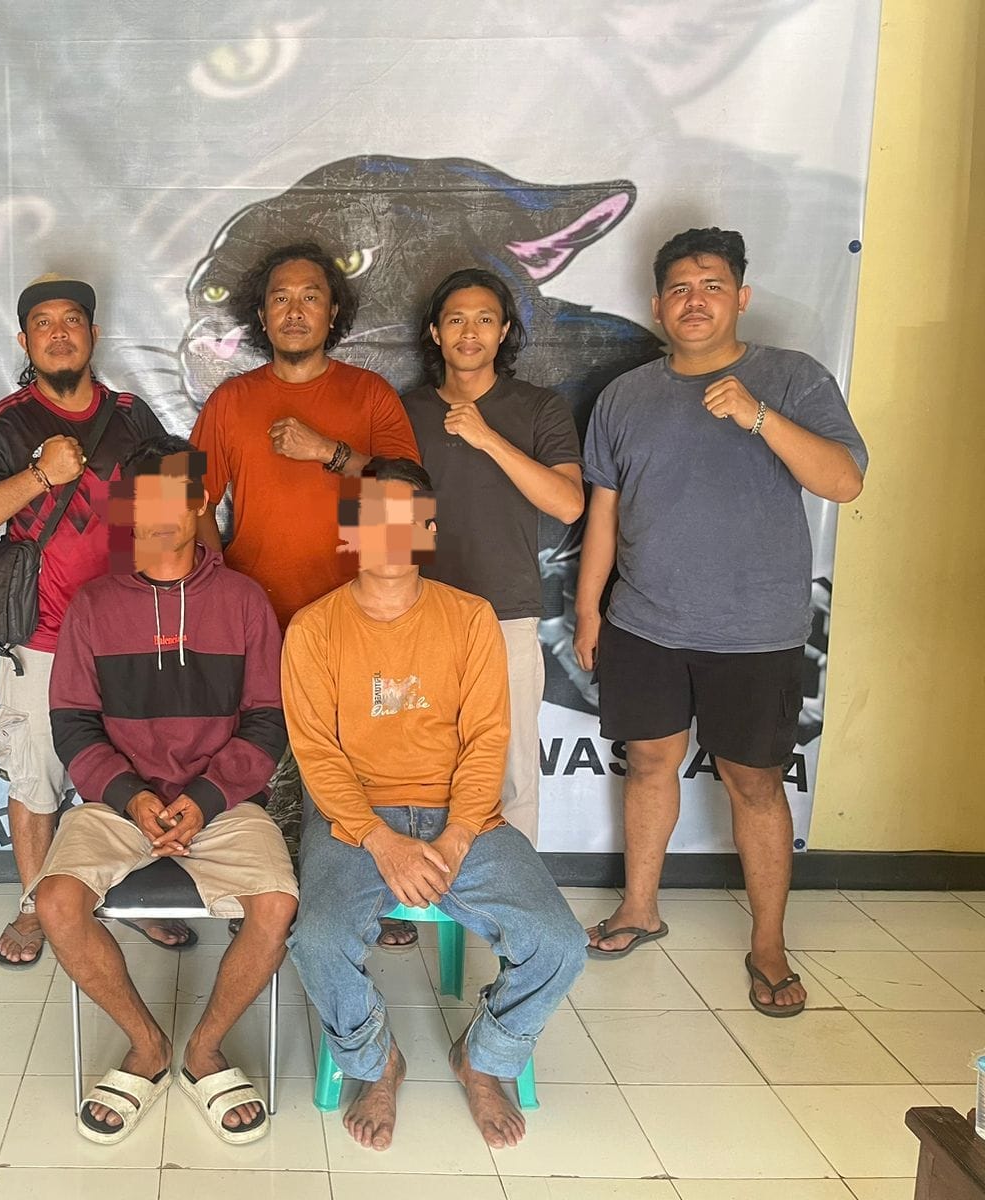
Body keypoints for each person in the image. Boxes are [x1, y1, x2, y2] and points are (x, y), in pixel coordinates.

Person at [573, 227, 867, 1016]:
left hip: (756, 630)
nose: (694, 301)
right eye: (679, 288)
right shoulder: (625, 397)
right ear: (657, 305)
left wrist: (758, 415)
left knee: (755, 783)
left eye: (710, 287)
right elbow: (603, 511)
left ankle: (768, 945)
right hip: (644, 622)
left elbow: (844, 481)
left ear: (741, 297)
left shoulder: (790, 377)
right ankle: (640, 908)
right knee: (649, 763)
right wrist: (589, 610)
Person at [284, 459, 585, 1152]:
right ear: (350, 530)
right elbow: (317, 754)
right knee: (317, 941)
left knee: (561, 943)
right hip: (356, 822)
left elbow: (486, 741)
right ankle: (375, 1062)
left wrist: (455, 837)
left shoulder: (470, 618)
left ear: (427, 528)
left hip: (462, 816)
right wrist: (380, 839)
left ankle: (484, 1057)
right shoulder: (314, 627)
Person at [28, 434, 295, 1145]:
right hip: (120, 803)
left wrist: (204, 799)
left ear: (199, 502)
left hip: (223, 802)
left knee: (275, 906)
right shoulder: (92, 605)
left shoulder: (244, 600)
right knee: (56, 903)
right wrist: (131, 797)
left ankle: (204, 1049)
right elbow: (73, 723)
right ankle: (147, 1046)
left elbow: (268, 721)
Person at [0, 277, 189, 968]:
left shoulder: (131, 416)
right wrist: (38, 475)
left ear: (94, 334)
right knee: (36, 778)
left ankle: (131, 897)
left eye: (72, 320)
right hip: (43, 638)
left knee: (133, 772)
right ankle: (33, 905)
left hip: (131, 635)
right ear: (24, 341)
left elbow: (177, 500)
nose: (59, 333)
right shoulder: (8, 422)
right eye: (43, 323)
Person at [189, 241, 422, 944]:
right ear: (261, 315)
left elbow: (411, 498)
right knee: (268, 765)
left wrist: (330, 453)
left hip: (359, 620)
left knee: (362, 762)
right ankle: (273, 901)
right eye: (280, 298)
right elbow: (190, 500)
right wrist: (217, 585)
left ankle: (366, 900)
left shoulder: (369, 395)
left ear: (333, 311)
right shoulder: (233, 400)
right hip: (260, 621)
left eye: (310, 296)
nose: (295, 310)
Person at [400, 268, 585, 844]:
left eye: (484, 319)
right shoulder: (406, 410)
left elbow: (569, 503)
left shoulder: (538, 407)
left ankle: (512, 893)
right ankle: (419, 883)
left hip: (504, 611)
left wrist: (487, 438)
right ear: (435, 332)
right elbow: (377, 503)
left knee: (510, 769)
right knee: (416, 762)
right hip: (417, 614)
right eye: (456, 319)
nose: (470, 331)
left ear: (504, 331)